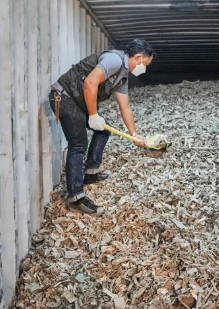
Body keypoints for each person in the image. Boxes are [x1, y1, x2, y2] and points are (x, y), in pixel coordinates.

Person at [49, 39, 154, 214]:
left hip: (76, 101)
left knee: (103, 130)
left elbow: (125, 107)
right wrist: (92, 115)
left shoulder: (122, 77)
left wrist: (134, 134)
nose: (144, 68)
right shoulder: (114, 60)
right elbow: (90, 83)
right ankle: (75, 197)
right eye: (145, 64)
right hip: (64, 96)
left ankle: (91, 172)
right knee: (78, 144)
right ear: (137, 58)